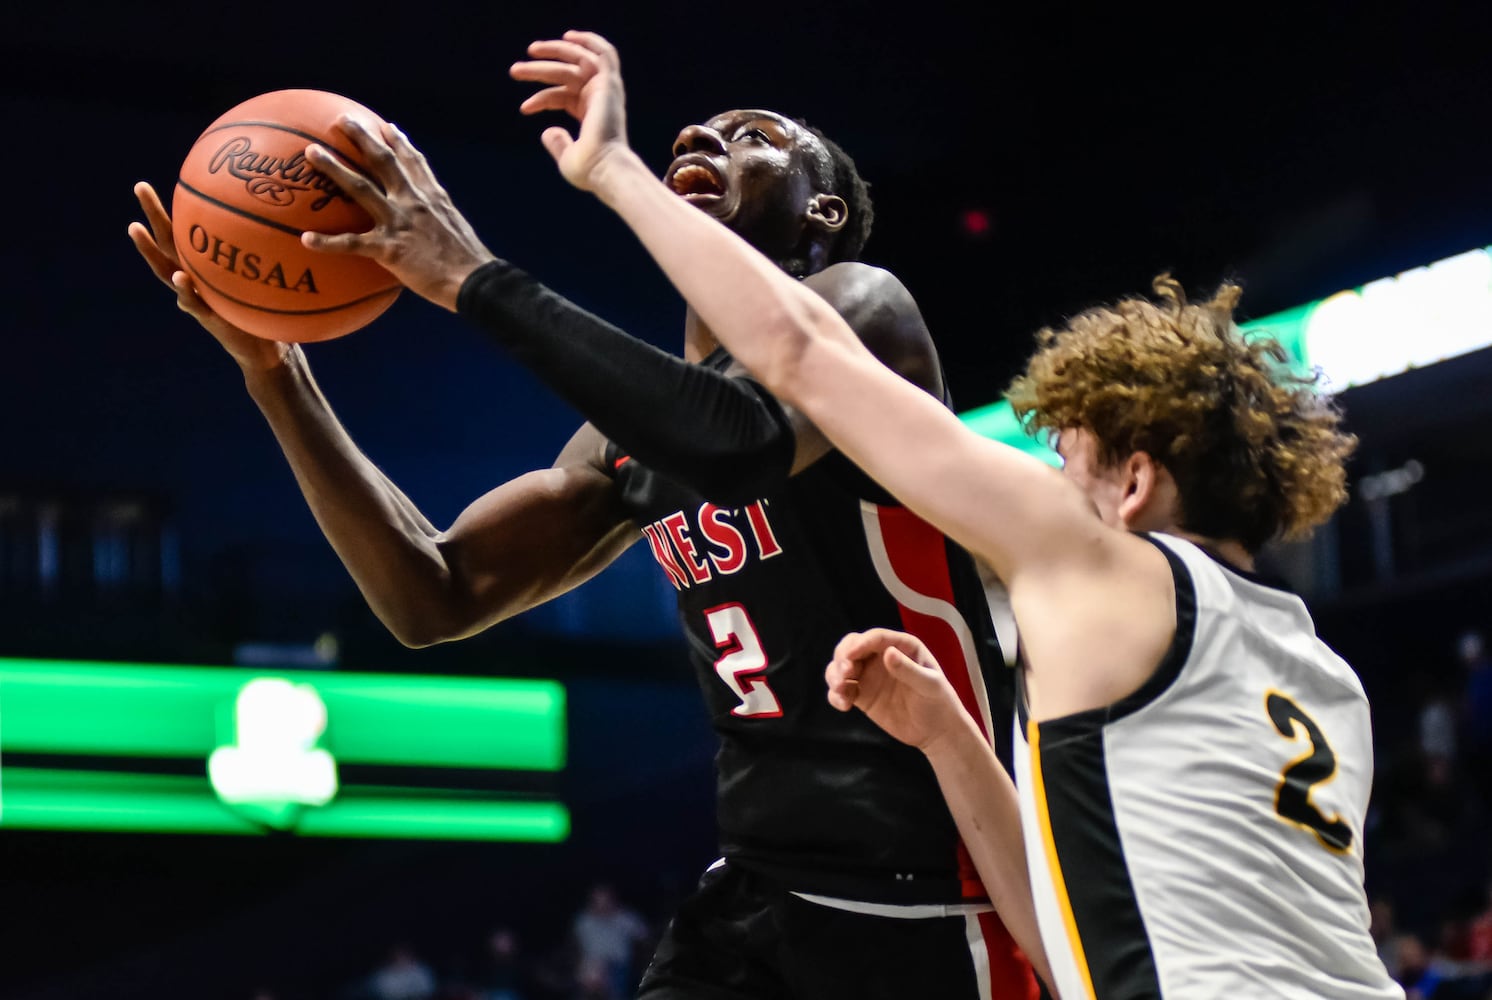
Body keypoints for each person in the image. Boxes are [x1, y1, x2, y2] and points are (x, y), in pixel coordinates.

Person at [477, 30, 1407, 998]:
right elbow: (1057, 934)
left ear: (1132, 485)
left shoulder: (1101, 571)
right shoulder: (1325, 682)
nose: (1048, 475)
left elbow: (801, 359)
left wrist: (618, 173)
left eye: (1066, 459)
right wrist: (947, 735)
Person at [128, 34, 1041, 1000]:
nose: (704, 133)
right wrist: (278, 376)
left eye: (754, 137)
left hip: (926, 896)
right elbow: (435, 592)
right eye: (703, 127)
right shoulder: (635, 433)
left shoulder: (864, 309)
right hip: (754, 895)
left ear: (822, 211)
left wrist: (474, 277)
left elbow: (738, 444)